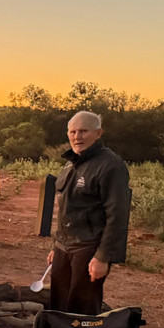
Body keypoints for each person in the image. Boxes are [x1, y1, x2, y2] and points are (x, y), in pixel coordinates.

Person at [48, 111, 130, 315]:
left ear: (98, 133)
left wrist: (103, 256)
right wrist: (55, 246)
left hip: (88, 247)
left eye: (83, 131)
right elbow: (66, 208)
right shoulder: (71, 163)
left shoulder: (111, 166)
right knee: (58, 303)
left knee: (81, 308)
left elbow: (117, 216)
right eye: (73, 132)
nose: (77, 136)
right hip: (64, 246)